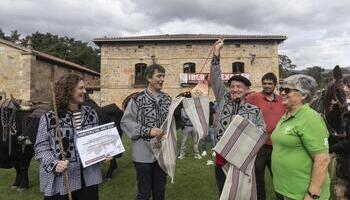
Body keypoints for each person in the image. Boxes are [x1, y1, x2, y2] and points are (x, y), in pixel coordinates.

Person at [35, 74, 105, 200]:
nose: (84, 91)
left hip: (88, 179)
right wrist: (54, 164)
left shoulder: (91, 113)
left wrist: (104, 153)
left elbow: (96, 141)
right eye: (81, 88)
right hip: (62, 179)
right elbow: (41, 148)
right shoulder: (49, 118)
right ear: (68, 90)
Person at [210, 38, 266, 196]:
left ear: (247, 89)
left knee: (241, 193)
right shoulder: (222, 99)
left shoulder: (254, 110)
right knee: (224, 192)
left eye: (239, 86)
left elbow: (262, 132)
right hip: (222, 158)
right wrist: (216, 53)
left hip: (243, 160)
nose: (235, 89)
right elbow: (215, 78)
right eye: (232, 86)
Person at [271, 74, 330, 199]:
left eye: (287, 90)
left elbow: (322, 160)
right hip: (288, 189)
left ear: (304, 95)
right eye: (281, 89)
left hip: (303, 193)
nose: (282, 93)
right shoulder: (287, 115)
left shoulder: (310, 118)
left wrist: (312, 194)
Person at [121, 64, 171, 200]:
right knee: (144, 194)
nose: (162, 79)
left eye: (163, 76)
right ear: (149, 78)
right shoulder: (137, 99)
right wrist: (148, 131)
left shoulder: (168, 99)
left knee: (160, 193)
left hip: (162, 153)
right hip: (143, 154)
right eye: (159, 76)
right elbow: (126, 122)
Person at [246, 72, 285, 200]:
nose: (267, 86)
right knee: (258, 177)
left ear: (275, 85)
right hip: (259, 146)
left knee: (278, 177)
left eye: (270, 83)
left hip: (277, 146)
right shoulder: (253, 98)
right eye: (264, 83)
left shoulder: (281, 100)